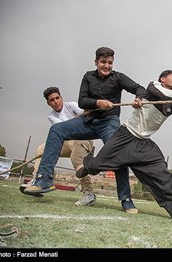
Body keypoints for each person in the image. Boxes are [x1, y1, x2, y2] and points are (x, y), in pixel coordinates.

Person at [76, 70, 172, 221]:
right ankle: (86, 166)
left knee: (163, 176)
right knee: (98, 164)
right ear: (162, 79)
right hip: (125, 136)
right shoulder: (153, 87)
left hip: (144, 144)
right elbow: (166, 95)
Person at [24, 47, 146, 214]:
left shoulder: (118, 77)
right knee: (56, 130)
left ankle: (126, 199)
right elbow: (82, 101)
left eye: (110, 63)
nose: (107, 65)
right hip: (88, 121)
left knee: (119, 154)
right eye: (103, 62)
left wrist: (138, 99)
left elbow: (140, 88)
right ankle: (44, 180)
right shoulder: (88, 76)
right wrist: (98, 103)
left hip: (109, 122)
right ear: (96, 62)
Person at [20, 87, 96, 206]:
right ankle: (39, 180)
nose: (56, 101)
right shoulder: (51, 116)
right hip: (67, 141)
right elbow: (64, 128)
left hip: (83, 139)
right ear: (48, 103)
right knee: (41, 149)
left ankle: (89, 193)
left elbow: (85, 115)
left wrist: (90, 110)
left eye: (57, 98)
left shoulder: (71, 105)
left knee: (76, 158)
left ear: (61, 97)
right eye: (52, 100)